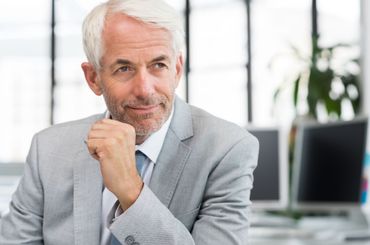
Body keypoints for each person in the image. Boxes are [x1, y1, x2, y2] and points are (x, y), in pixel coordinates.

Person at [0, 0, 258, 244]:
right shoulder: (48, 149)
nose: (145, 89)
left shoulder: (227, 149)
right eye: (124, 69)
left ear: (177, 69)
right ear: (93, 78)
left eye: (158, 65)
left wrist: (131, 191)